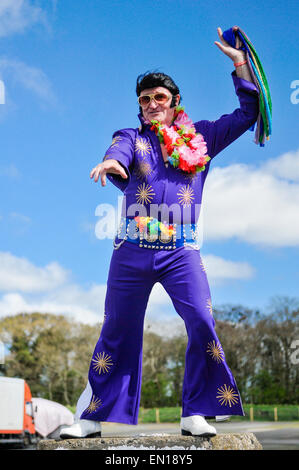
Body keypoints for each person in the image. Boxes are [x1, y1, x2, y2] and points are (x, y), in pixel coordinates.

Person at [60, 27, 260, 439]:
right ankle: (91, 417)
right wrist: (113, 163)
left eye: (159, 98)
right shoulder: (131, 137)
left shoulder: (201, 137)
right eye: (145, 100)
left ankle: (195, 412)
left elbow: (248, 114)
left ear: (175, 104)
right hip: (131, 250)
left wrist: (240, 64)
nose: (151, 104)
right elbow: (118, 151)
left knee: (203, 320)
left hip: (180, 251)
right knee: (117, 327)